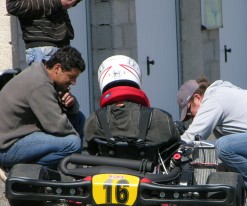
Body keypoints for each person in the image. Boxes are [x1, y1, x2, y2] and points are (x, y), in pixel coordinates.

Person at [177, 76, 247, 206]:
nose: (192, 117)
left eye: (190, 112)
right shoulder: (224, 96)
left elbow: (193, 137)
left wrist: (172, 147)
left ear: (197, 97)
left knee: (223, 146)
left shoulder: (214, 99)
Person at [0, 46, 86, 180]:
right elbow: (57, 125)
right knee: (73, 143)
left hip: (17, 136)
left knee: (78, 118)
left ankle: (72, 177)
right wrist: (77, 141)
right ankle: (22, 173)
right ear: (57, 68)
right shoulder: (40, 84)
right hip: (7, 148)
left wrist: (70, 106)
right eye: (71, 77)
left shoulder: (42, 74)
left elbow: (60, 117)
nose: (74, 82)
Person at [84, 55, 179, 157]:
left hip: (106, 171)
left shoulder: (93, 120)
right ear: (136, 76)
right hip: (145, 171)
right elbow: (175, 148)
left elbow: (88, 153)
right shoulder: (160, 118)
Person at [6, 0, 82, 65]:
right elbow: (14, 6)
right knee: (45, 81)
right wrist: (57, 3)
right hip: (43, 46)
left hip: (63, 42)